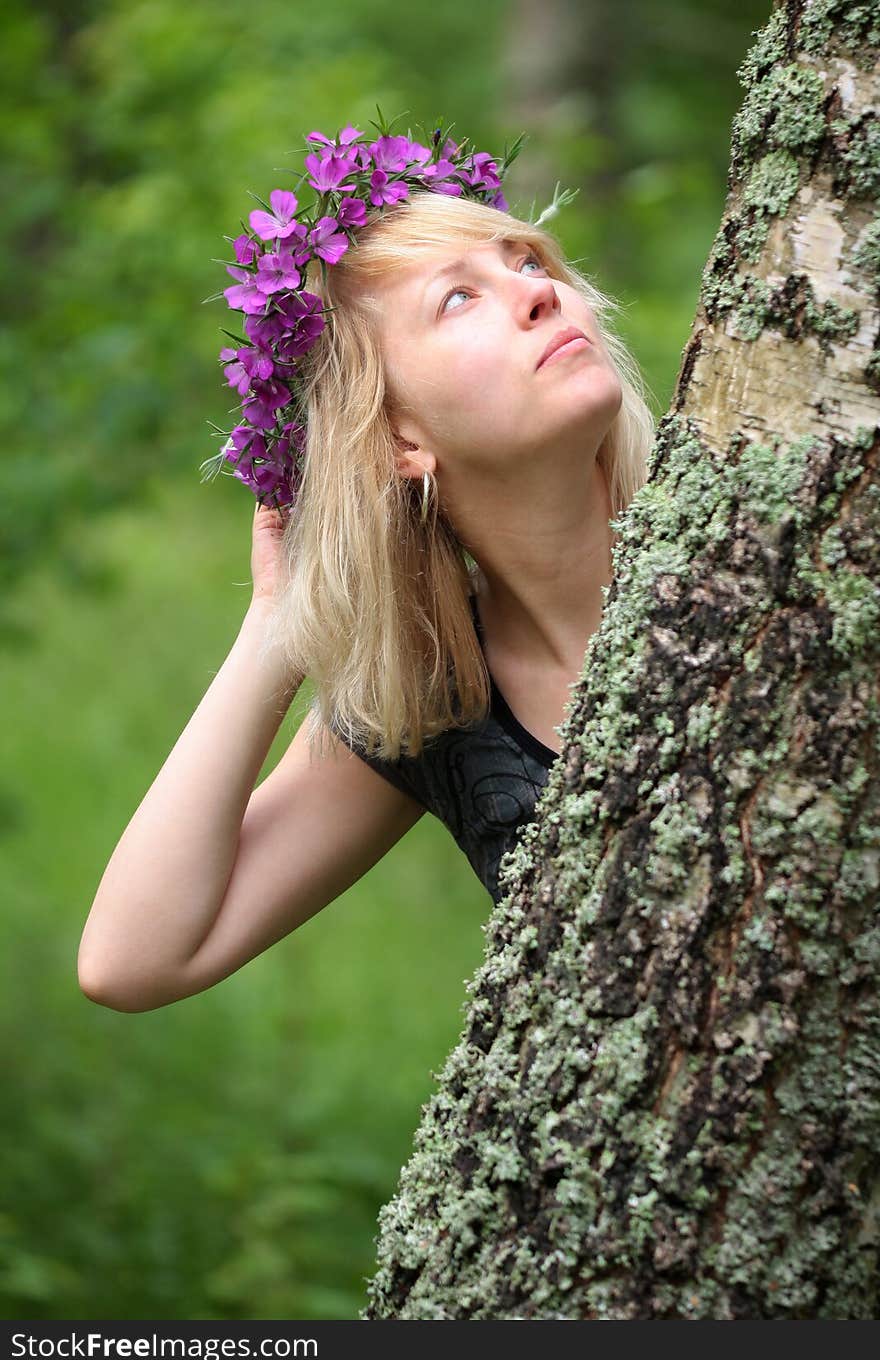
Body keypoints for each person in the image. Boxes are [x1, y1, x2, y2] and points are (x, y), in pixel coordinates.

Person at [77, 183, 655, 1014]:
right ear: (397, 440)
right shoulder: (438, 704)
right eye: (458, 298)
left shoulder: (766, 535)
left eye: (527, 260)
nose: (538, 291)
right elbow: (133, 959)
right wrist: (281, 619)